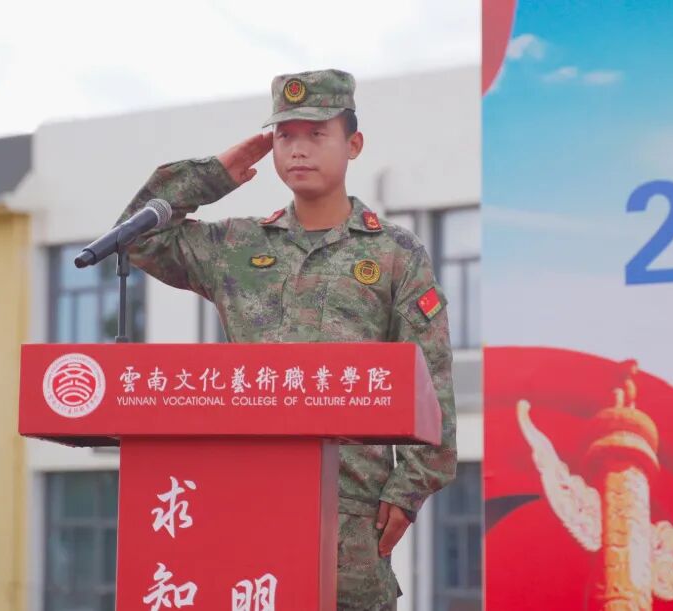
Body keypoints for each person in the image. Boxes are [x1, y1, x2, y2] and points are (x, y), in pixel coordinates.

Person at [116, 68, 457, 610]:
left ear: (353, 145)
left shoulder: (394, 253)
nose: (298, 149)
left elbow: (431, 379)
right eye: (284, 136)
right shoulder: (237, 246)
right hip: (244, 501)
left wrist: (408, 489)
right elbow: (139, 238)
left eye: (316, 134)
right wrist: (213, 175)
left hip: (350, 513)